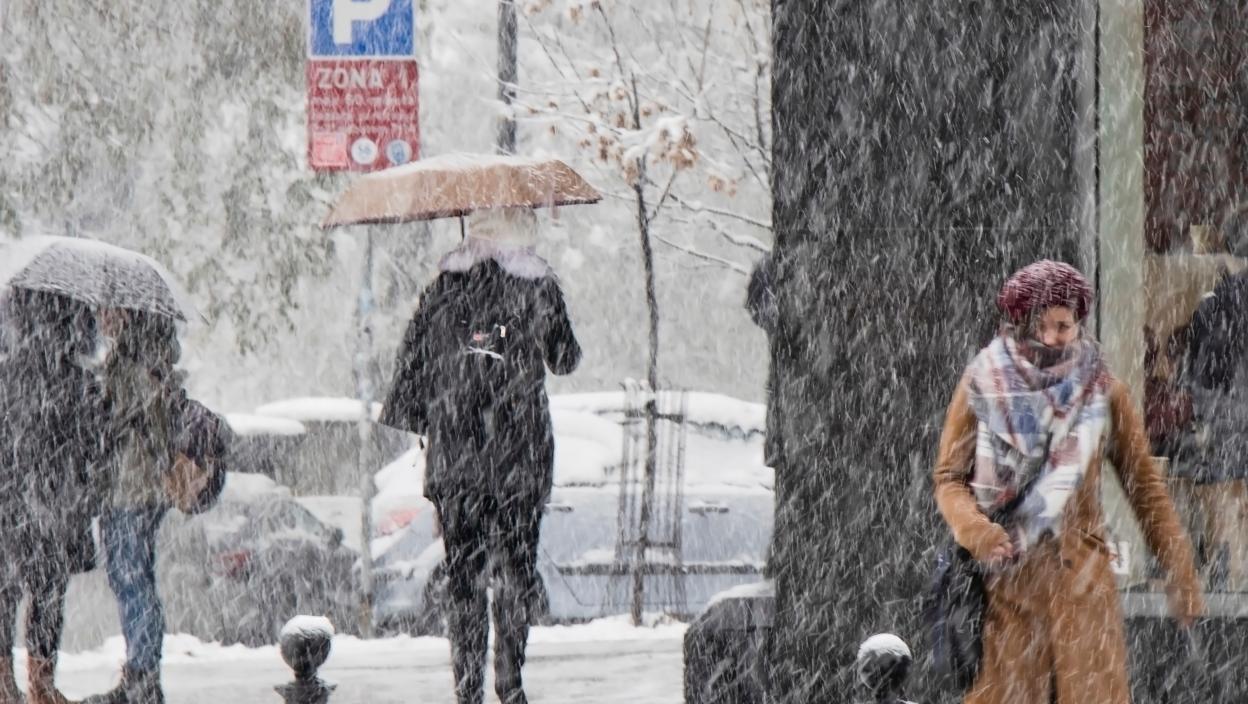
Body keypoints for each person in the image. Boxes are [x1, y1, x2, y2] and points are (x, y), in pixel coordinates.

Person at [932, 260, 1204, 703]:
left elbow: (1146, 489)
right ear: (1020, 323)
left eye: (1066, 324)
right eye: (1044, 324)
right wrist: (976, 531)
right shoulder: (982, 383)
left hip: (1084, 594)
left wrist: (1180, 572)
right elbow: (949, 479)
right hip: (1008, 593)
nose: (1056, 336)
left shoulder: (1103, 394)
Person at [380, 207, 581, 704]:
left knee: (464, 581)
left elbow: (408, 377)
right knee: (515, 575)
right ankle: (511, 685)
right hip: (520, 462)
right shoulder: (536, 285)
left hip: (458, 466)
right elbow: (565, 360)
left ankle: (466, 688)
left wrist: (444, 411)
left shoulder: (442, 290)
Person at [82, 309, 209, 704]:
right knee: (135, 580)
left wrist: (104, 400)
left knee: (132, 582)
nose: (103, 316)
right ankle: (142, 673)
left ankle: (142, 676)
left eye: (110, 310)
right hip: (141, 487)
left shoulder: (133, 362)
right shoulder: (149, 358)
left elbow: (127, 423)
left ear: (129, 315)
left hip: (131, 487)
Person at [0, 288, 111, 704]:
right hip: (55, 501)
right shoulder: (76, 380)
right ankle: (41, 683)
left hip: (10, 499)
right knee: (47, 592)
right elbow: (90, 447)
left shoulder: (6, 373)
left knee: (6, 591)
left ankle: (5, 683)